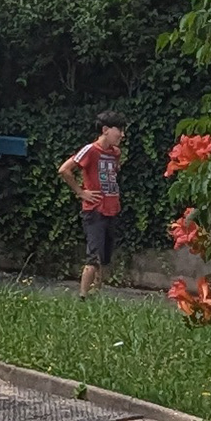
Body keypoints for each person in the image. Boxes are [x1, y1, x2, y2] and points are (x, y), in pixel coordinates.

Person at [58, 124, 125, 296]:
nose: (122, 135)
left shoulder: (115, 153)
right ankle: (83, 296)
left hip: (112, 209)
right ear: (105, 130)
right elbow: (64, 170)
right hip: (94, 210)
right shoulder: (90, 150)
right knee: (93, 256)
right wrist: (81, 192)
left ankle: (96, 293)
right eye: (119, 130)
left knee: (104, 256)